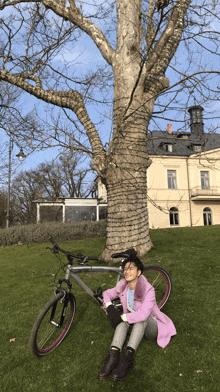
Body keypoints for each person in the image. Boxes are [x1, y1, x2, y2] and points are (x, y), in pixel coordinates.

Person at [98, 250, 177, 381]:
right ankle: (113, 356)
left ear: (139, 272)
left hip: (152, 327)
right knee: (122, 322)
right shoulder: (123, 285)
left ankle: (127, 359)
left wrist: (122, 317)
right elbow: (106, 294)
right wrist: (110, 307)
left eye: (131, 269)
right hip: (134, 324)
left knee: (138, 319)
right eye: (125, 269)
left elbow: (143, 314)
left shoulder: (148, 290)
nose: (127, 271)